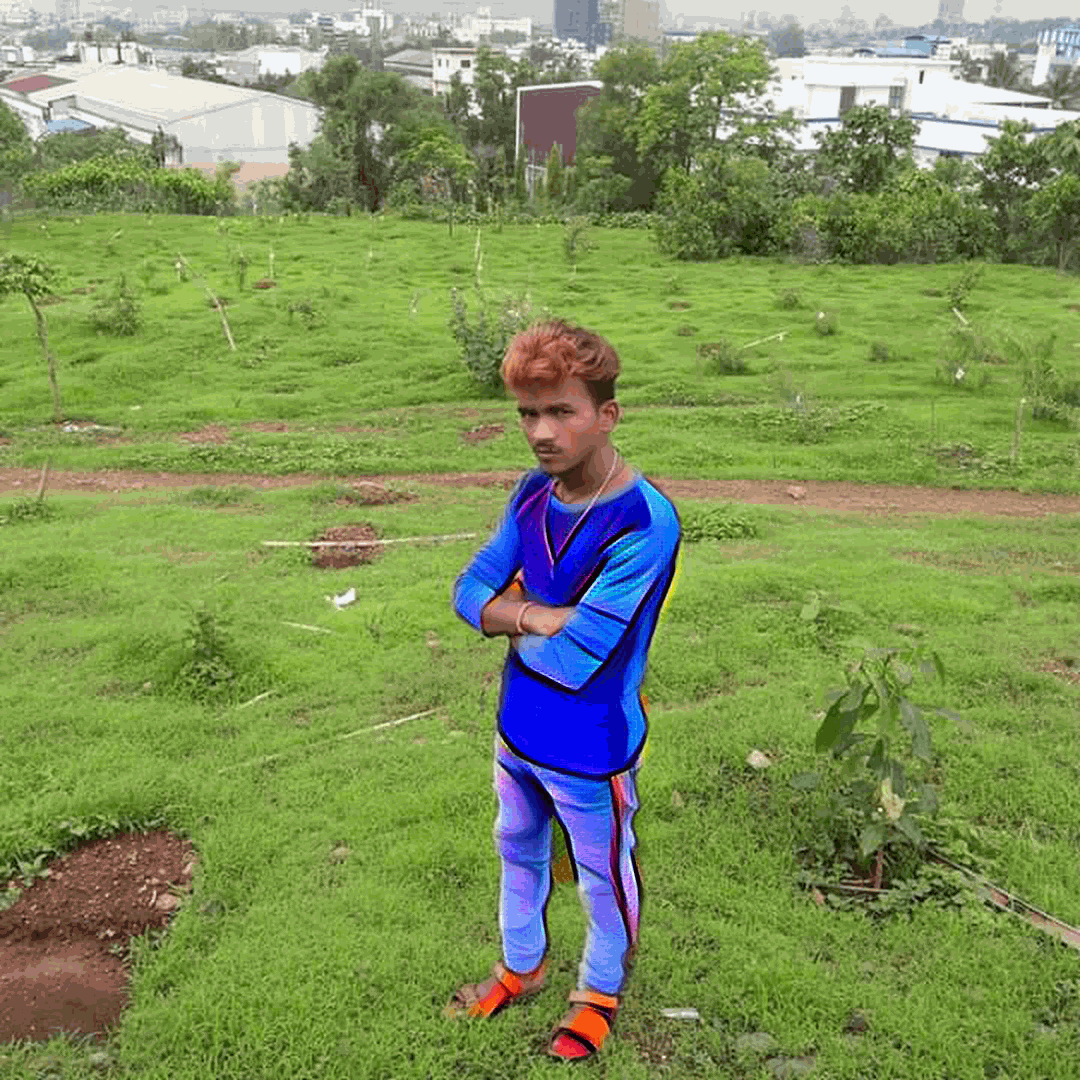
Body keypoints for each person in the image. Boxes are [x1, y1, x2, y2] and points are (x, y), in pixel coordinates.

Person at [446, 319, 682, 1061]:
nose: (541, 433)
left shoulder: (644, 521)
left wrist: (508, 609)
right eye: (528, 413)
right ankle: (522, 966)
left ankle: (599, 993)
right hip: (516, 730)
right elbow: (465, 592)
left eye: (561, 411)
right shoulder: (530, 494)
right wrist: (534, 612)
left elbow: (577, 659)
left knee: (600, 873)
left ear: (606, 414)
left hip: (592, 744)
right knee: (516, 848)